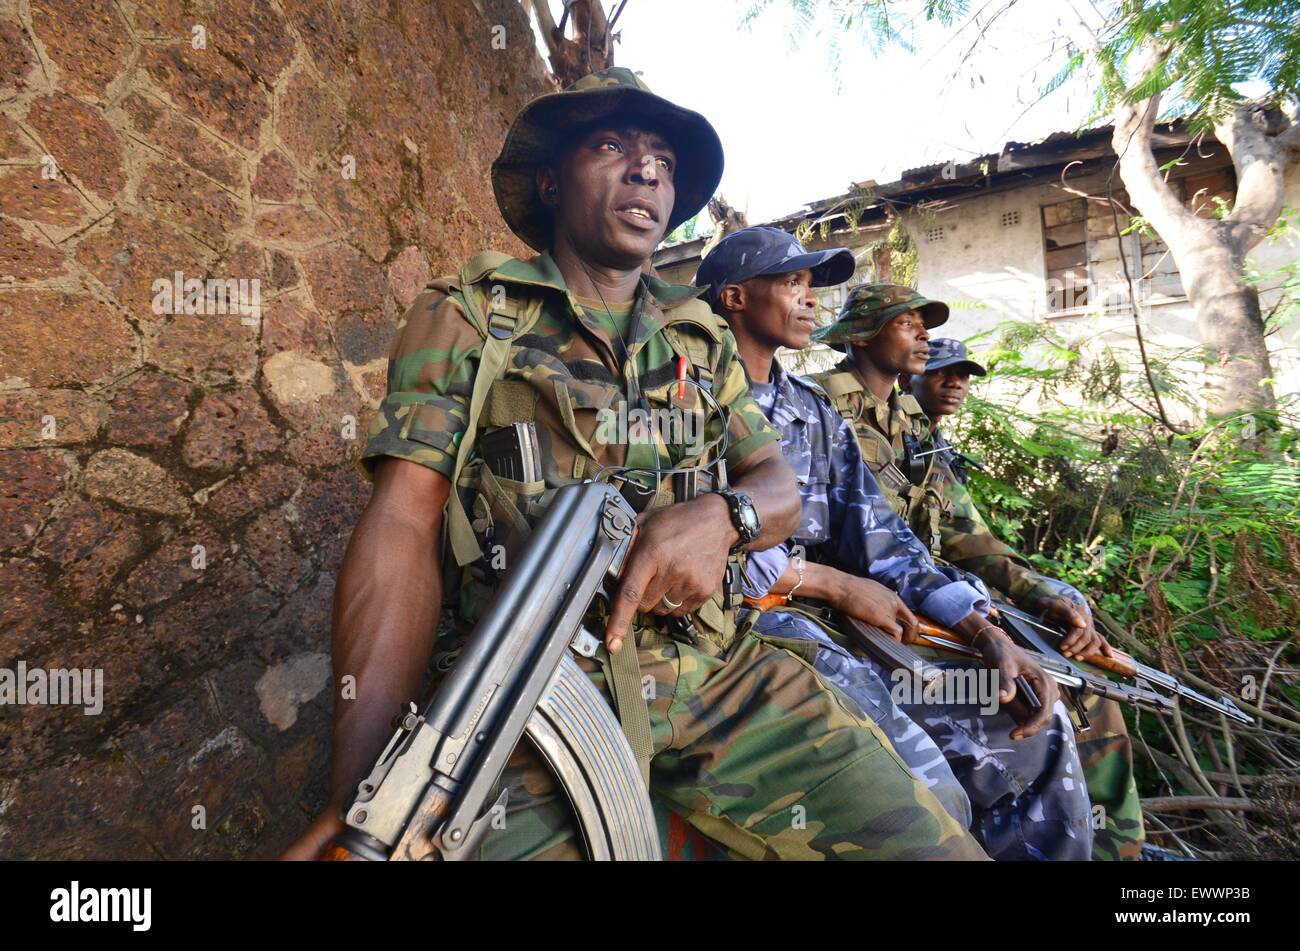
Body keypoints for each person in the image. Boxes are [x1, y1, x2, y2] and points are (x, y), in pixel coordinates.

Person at [282, 69, 987, 861]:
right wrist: (365, 791)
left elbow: (778, 488)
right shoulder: (473, 315)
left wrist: (726, 517)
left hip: (722, 677)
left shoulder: (699, 337)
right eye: (612, 145)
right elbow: (402, 526)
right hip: (529, 698)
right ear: (550, 180)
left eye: (663, 158)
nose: (646, 169)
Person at [696, 227, 1093, 860]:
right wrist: (825, 582)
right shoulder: (688, 400)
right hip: (760, 626)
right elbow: (687, 547)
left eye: (811, 285)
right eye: (792, 282)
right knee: (931, 788)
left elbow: (884, 536)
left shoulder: (811, 411)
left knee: (1033, 735)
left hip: (856, 625)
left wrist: (983, 629)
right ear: (735, 298)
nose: (809, 300)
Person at [898, 338, 1146, 862]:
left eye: (964, 375)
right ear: (908, 373)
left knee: (1094, 696)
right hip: (912, 617)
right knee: (1038, 700)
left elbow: (977, 545)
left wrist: (1050, 593)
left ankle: (1116, 851)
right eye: (943, 372)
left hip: (953, 608)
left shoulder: (932, 451)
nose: (956, 383)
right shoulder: (853, 431)